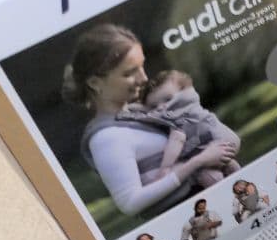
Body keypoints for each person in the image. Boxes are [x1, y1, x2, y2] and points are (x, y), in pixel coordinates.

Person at [63, 24, 238, 217]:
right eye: (129, 73)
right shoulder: (106, 138)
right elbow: (130, 202)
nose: (144, 78)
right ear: (95, 82)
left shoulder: (138, 113)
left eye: (142, 66)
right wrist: (198, 162)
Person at [127, 69, 241, 189]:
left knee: (205, 175)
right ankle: (244, 184)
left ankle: (224, 192)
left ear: (183, 91)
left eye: (167, 99)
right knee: (231, 167)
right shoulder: (191, 104)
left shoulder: (178, 116)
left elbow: (177, 139)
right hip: (226, 139)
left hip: (215, 148)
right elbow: (148, 112)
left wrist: (165, 167)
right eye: (154, 106)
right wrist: (134, 107)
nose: (161, 107)